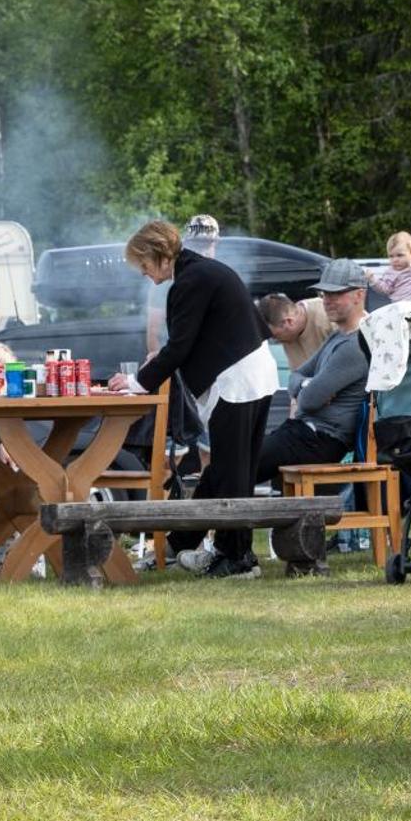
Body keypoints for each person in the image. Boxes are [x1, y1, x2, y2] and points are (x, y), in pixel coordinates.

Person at [110, 220, 278, 579]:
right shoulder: (200, 272)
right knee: (227, 469)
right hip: (255, 372)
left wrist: (137, 383)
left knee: (234, 474)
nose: (144, 274)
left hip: (238, 380)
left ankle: (239, 559)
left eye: (143, 266)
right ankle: (192, 542)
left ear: (157, 255)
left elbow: (179, 347)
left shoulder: (189, 281)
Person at [256, 261, 371, 476]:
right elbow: (296, 376)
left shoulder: (356, 344)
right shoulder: (339, 335)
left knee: (236, 466)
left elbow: (308, 401)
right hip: (304, 432)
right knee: (232, 465)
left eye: (336, 294)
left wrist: (308, 388)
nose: (327, 301)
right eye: (324, 294)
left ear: (359, 295)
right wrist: (309, 384)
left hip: (320, 439)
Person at [147, 214, 220, 359]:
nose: (203, 251)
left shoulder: (222, 277)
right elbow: (154, 332)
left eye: (207, 244)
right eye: (197, 245)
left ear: (216, 244)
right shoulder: (165, 281)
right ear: (186, 244)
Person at [256, 292, 334, 371]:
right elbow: (297, 375)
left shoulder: (328, 316)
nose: (277, 341)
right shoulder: (289, 334)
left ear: (289, 322)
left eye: (275, 336)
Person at [370, 231, 411, 303]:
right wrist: (373, 281)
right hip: (400, 306)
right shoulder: (390, 273)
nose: (395, 260)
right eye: (391, 256)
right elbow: (385, 289)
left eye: (400, 255)